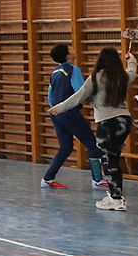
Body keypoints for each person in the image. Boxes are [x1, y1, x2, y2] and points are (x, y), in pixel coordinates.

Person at [50, 44, 137, 212]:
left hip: (107, 122)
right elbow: (132, 72)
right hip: (125, 122)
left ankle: (116, 199)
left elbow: (78, 97)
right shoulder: (123, 77)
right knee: (114, 159)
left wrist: (59, 108)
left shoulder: (96, 78)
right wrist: (132, 60)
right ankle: (115, 195)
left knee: (108, 160)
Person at [41, 43, 104, 190]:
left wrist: (57, 109)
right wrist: (99, 100)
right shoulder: (73, 69)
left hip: (55, 113)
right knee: (92, 144)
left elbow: (50, 96)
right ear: (67, 55)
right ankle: (98, 180)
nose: (74, 50)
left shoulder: (55, 72)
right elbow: (81, 91)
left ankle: (47, 179)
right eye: (71, 49)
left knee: (66, 147)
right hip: (69, 113)